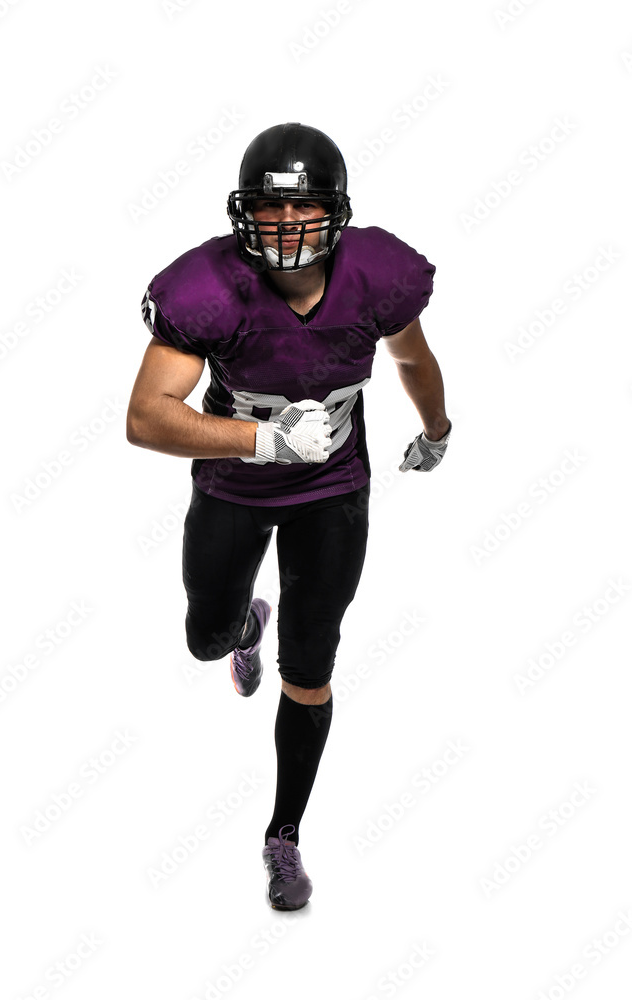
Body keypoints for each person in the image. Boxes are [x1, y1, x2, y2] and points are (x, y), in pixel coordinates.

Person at [127, 122, 451, 911]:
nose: (287, 228)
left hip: (333, 492)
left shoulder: (377, 276)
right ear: (244, 216)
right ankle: (244, 627)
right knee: (204, 641)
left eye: (305, 207)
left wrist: (437, 431)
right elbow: (145, 417)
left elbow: (410, 357)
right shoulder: (206, 288)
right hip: (234, 488)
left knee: (309, 671)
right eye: (271, 212)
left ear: (335, 211)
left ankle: (284, 837)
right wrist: (260, 439)